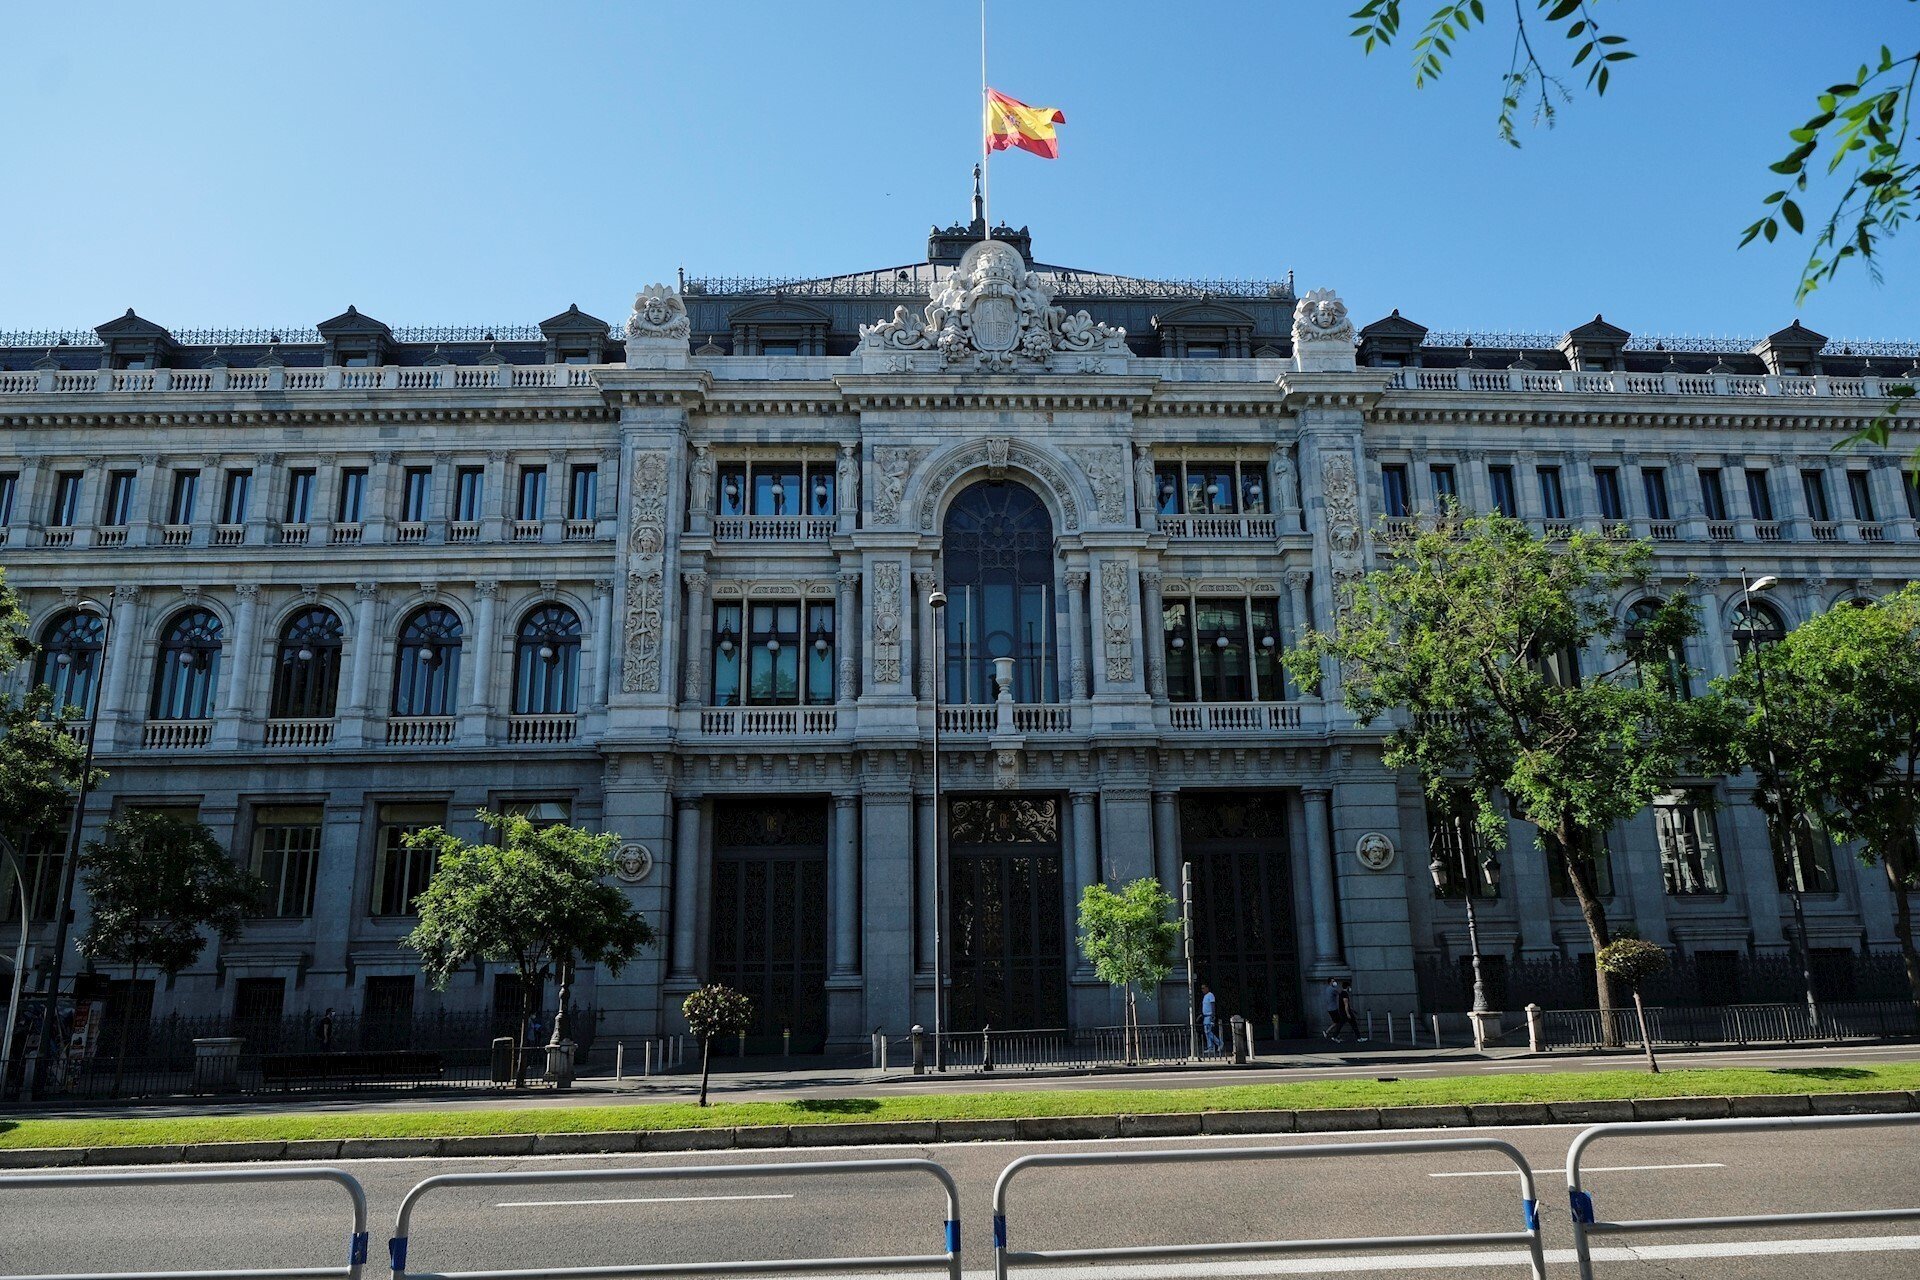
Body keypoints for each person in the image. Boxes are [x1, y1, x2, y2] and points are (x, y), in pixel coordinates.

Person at [1200, 984, 1221, 1054]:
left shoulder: (1210, 995)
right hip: (1206, 1016)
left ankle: (1219, 1043)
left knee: (1208, 1032)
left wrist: (1213, 1016)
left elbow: (1212, 1005)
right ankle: (1211, 1047)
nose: (1202, 990)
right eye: (1202, 988)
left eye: (1203, 988)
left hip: (1209, 1016)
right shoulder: (1205, 996)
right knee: (1207, 1032)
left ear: (1207, 988)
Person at [1322, 977, 1346, 1041]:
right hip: (1333, 1008)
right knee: (1338, 1022)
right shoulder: (1332, 989)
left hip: (1330, 1008)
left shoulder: (1327, 989)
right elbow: (1340, 993)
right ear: (1330, 982)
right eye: (1333, 981)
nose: (1334, 982)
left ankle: (1334, 1035)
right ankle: (1330, 1033)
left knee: (1336, 1022)